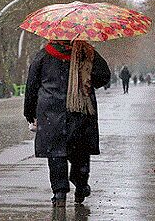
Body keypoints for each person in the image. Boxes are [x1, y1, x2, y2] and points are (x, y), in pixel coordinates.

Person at [24, 40, 111, 207]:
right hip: (80, 111)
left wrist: (29, 112)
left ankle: (59, 192)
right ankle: (81, 185)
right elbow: (103, 77)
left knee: (56, 152)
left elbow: (32, 85)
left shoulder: (44, 55)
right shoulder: (87, 52)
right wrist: (85, 77)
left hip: (51, 111)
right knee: (80, 151)